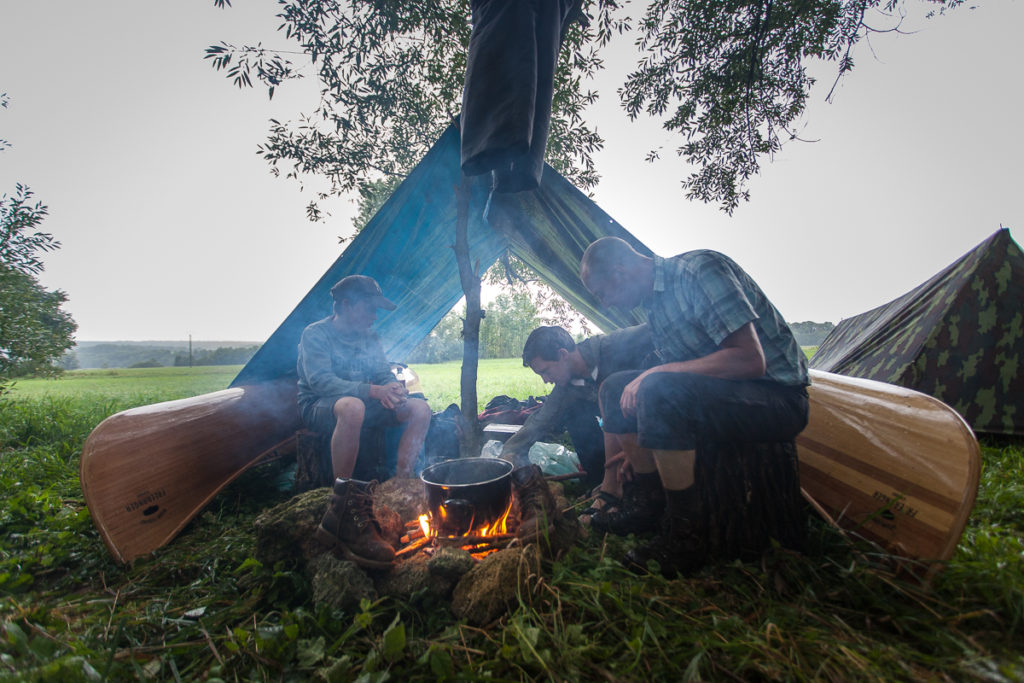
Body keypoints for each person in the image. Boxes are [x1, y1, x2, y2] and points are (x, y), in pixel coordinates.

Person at [580, 237, 810, 575]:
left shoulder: (698, 271)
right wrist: (639, 448)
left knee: (658, 384)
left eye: (604, 294)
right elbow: (684, 376)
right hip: (725, 397)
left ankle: (687, 535)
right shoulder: (655, 306)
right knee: (616, 387)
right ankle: (648, 501)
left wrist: (657, 373)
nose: (608, 305)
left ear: (620, 272)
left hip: (776, 398)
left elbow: (750, 360)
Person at [297, 274, 431, 569]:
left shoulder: (369, 337)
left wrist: (393, 388)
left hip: (362, 402)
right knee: (353, 407)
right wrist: (373, 390)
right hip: (321, 405)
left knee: (420, 409)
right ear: (346, 305)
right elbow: (319, 381)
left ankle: (401, 482)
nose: (374, 317)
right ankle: (343, 503)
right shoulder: (315, 334)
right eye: (369, 309)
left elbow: (382, 372)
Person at [503, 324, 653, 515]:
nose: (546, 380)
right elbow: (540, 421)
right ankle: (602, 481)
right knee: (575, 415)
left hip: (659, 425)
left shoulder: (616, 344)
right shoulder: (567, 387)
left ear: (563, 354)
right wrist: (507, 454)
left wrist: (636, 448)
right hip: (619, 435)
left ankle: (635, 488)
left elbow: (661, 333)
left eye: (545, 371)